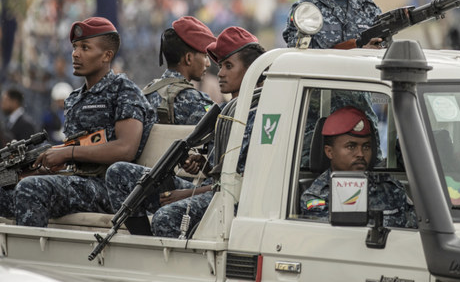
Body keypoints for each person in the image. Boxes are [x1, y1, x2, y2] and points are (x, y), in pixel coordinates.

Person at [106, 26, 266, 237]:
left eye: (228, 66)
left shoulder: (258, 113)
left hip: (231, 198)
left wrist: (186, 194)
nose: (220, 73)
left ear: (251, 70)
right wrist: (205, 164)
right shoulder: (231, 109)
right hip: (210, 190)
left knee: (165, 217)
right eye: (221, 66)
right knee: (118, 173)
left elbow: (241, 185)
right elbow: (222, 169)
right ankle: (145, 245)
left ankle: (157, 259)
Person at [0, 17, 156, 226]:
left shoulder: (124, 91)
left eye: (85, 47)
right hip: (75, 180)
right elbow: (75, 154)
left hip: (110, 188)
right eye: (75, 47)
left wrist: (66, 152)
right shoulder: (74, 99)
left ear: (106, 55)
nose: (75, 53)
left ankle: (32, 258)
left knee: (32, 188)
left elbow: (126, 148)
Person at [300, 106, 416, 228]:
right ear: (329, 152)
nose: (360, 154)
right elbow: (333, 239)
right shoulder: (317, 197)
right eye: (351, 146)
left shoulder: (389, 187)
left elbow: (415, 231)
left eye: (366, 147)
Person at [143, 16, 216, 125]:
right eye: (205, 56)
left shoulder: (147, 93)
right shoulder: (198, 102)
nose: (208, 63)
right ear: (189, 58)